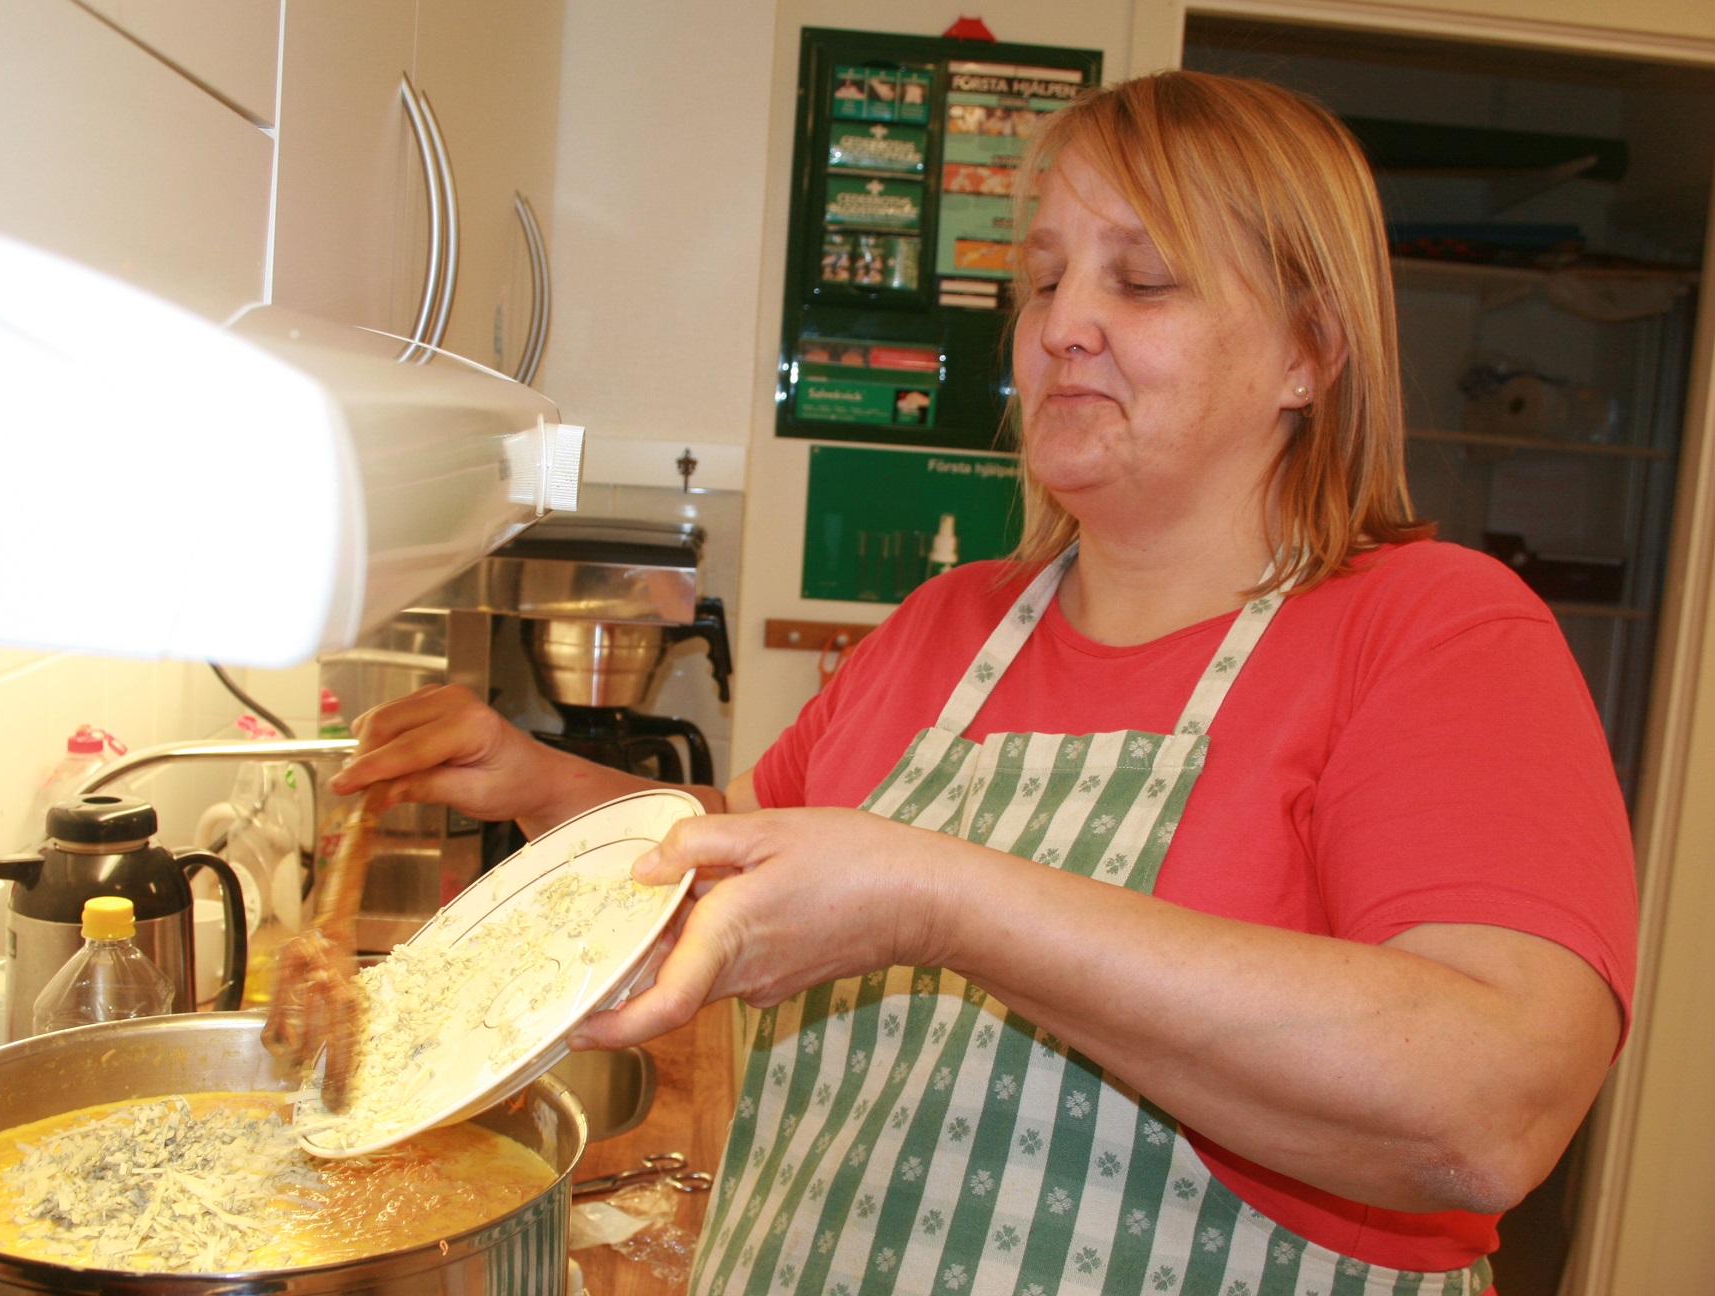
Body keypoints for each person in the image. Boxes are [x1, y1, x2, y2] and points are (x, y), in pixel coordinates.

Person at [329, 70, 1635, 1295]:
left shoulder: (1433, 633)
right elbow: (740, 861)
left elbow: (1490, 1106)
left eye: (1144, 281)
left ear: (1310, 351)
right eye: (1046, 279)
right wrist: (541, 780)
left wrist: (942, 903)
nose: (1065, 326)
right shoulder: (950, 624)